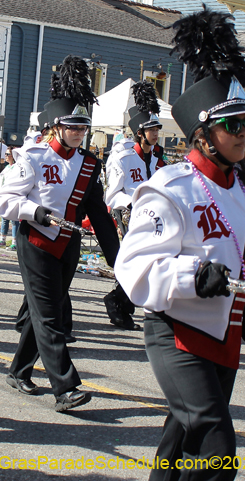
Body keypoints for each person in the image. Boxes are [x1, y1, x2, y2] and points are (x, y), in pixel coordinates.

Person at [115, 7, 245, 481]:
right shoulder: (169, 186)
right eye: (235, 127)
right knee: (214, 444)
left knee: (180, 443)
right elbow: (134, 269)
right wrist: (193, 275)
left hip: (223, 335)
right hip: (176, 330)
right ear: (204, 135)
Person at [0, 55, 120, 411]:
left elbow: (98, 214)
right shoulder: (33, 158)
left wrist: (119, 261)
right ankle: (65, 388)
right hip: (35, 241)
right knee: (51, 314)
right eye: (73, 127)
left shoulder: (89, 163)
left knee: (43, 312)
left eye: (83, 129)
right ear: (56, 127)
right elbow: (6, 201)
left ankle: (19, 369)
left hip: (68, 244)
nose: (80, 134)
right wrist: (35, 211)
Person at [103, 80, 166, 331]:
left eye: (157, 128)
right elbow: (112, 195)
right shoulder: (123, 157)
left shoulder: (158, 157)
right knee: (138, 259)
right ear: (139, 132)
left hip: (152, 214)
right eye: (151, 129)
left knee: (148, 261)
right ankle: (119, 304)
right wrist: (129, 206)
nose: (156, 133)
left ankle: (120, 302)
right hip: (128, 212)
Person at [0, 132, 23, 248]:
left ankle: (14, 242)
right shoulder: (6, 167)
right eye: (5, 154)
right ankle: (2, 239)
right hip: (3, 194)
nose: (6, 156)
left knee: (14, 220)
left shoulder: (17, 168)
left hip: (13, 196)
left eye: (8, 154)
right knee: (4, 218)